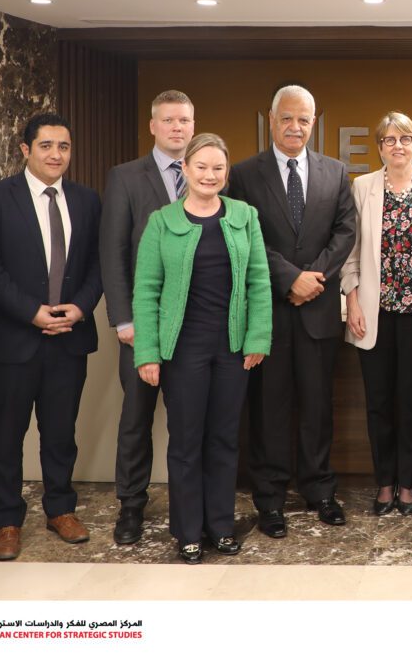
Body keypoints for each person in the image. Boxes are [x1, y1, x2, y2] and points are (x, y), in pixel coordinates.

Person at [132, 133, 271, 563]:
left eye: (218, 168)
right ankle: (189, 531)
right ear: (186, 169)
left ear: (226, 173)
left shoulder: (245, 216)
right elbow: (146, 290)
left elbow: (259, 280)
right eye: (202, 167)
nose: (210, 175)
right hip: (182, 351)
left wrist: (258, 337)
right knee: (186, 442)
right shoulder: (162, 221)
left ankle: (221, 527)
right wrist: (147, 353)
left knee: (225, 440)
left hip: (232, 348)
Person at [227, 84, 355, 538]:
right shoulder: (244, 174)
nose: (295, 127)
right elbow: (246, 236)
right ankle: (270, 498)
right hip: (270, 312)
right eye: (287, 118)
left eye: (303, 119)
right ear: (272, 119)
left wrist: (313, 279)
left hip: (318, 312)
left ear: (313, 123)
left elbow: (345, 232)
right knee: (270, 408)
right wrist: (289, 279)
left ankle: (320, 489)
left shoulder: (336, 172)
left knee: (318, 407)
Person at [0, 113, 102, 562]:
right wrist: (31, 312)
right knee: (6, 436)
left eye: (63, 146)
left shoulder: (87, 200)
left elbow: (98, 264)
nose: (56, 154)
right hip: (14, 339)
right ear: (25, 149)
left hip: (69, 337)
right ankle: (6, 521)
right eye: (46, 145)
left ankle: (60, 509)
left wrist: (81, 307)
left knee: (61, 433)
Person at [341, 112, 412, 516]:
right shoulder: (362, 187)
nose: (397, 146)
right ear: (380, 147)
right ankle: (384, 483)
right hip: (375, 314)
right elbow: (351, 252)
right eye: (389, 140)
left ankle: (408, 483)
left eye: (405, 139)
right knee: (378, 403)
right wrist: (352, 300)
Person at [100, 89, 195, 545]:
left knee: (187, 422)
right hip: (143, 324)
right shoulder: (125, 177)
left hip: (194, 327)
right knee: (136, 419)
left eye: (185, 120)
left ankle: (187, 506)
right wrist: (123, 319)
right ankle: (131, 507)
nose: (177, 128)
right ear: (153, 126)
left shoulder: (208, 174)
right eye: (169, 120)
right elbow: (113, 251)